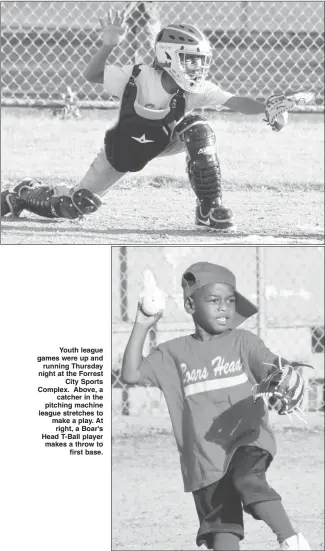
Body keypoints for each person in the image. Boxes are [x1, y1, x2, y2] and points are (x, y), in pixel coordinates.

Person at [1, 10, 276, 229]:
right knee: (74, 206)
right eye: (191, 61)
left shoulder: (195, 89)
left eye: (200, 62)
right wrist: (108, 45)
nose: (198, 68)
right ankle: (23, 193)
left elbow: (236, 101)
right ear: (170, 57)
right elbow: (92, 75)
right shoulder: (138, 76)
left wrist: (267, 108)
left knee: (200, 130)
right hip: (122, 150)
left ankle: (209, 208)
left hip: (165, 140)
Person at [121, 262, 310, 550]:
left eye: (230, 301)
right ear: (189, 304)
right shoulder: (173, 353)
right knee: (223, 527)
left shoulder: (243, 342)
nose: (224, 308)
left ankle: (291, 539)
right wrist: (143, 324)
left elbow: (273, 366)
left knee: (247, 478)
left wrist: (284, 376)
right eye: (214, 300)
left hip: (248, 439)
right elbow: (131, 374)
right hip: (204, 458)